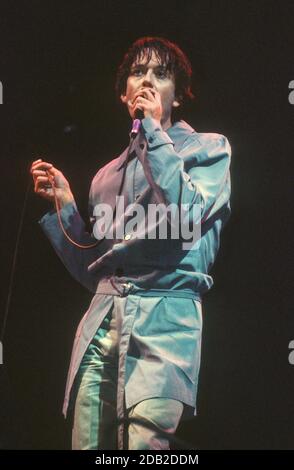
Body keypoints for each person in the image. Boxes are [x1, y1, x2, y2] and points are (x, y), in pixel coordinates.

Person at [30, 36, 231, 450]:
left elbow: (186, 213)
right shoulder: (105, 176)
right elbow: (96, 270)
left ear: (178, 94)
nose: (148, 81)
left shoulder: (208, 150)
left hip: (166, 319)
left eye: (162, 73)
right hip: (102, 319)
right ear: (124, 94)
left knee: (146, 446)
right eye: (138, 73)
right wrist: (65, 207)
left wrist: (154, 132)